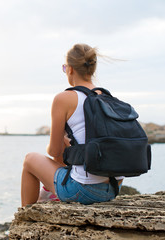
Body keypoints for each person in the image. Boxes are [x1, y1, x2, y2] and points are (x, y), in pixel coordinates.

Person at [21, 43, 124, 207]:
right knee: (70, 142)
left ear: (69, 69)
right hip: (113, 188)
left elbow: (55, 151)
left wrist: (60, 142)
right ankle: (49, 193)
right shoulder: (107, 97)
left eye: (64, 68)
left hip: (83, 190)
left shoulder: (64, 98)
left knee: (29, 160)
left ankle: (26, 219)